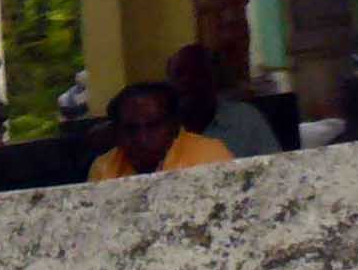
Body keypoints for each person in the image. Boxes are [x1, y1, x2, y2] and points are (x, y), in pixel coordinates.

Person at [90, 81, 233, 181]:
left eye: (153, 126)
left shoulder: (209, 156)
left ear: (174, 126)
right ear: (116, 133)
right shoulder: (104, 168)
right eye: (131, 129)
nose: (142, 138)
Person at [165, 43, 280, 159]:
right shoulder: (158, 129)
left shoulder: (245, 119)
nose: (187, 81)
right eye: (179, 74)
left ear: (214, 78)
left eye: (197, 73)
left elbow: (275, 169)